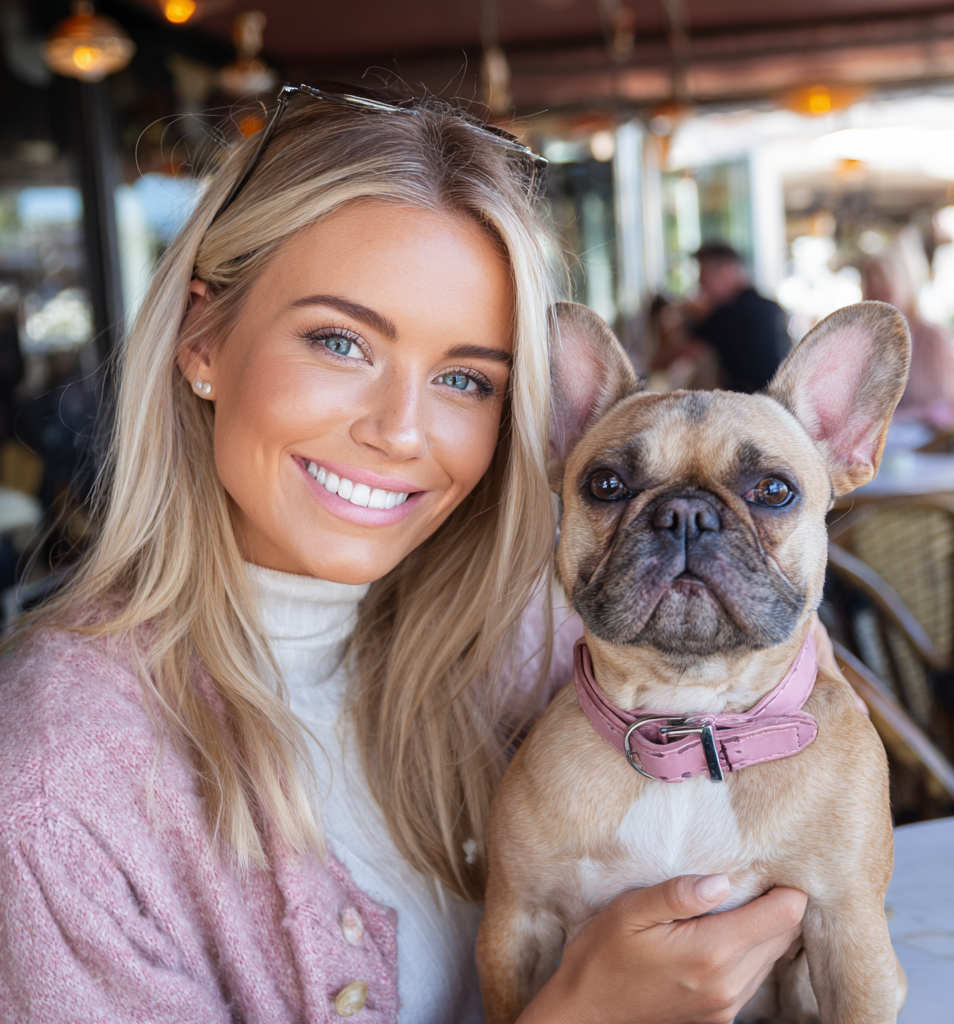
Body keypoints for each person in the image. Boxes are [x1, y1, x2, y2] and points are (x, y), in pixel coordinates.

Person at [0, 85, 807, 1023]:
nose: (400, 431)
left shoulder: (534, 643)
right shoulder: (54, 793)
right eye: (341, 341)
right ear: (202, 337)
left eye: (466, 378)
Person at [861, 251, 954, 431]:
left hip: (931, 448)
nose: (878, 294)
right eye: (872, 289)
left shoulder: (933, 338)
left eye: (884, 288)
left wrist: (917, 415)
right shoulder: (865, 343)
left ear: (904, 285)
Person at [688, 242, 791, 393]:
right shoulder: (771, 306)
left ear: (726, 271)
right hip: (781, 404)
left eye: (704, 275)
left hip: (750, 407)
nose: (701, 284)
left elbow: (682, 349)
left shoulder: (729, 314)